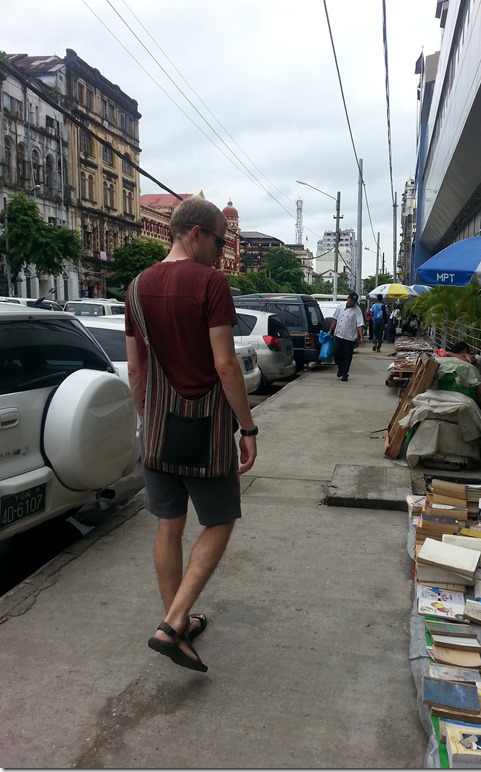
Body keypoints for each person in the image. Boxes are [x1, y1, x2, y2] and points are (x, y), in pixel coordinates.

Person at [125, 196, 258, 673]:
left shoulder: (136, 286)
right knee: (220, 520)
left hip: (157, 432)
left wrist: (148, 419)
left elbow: (135, 372)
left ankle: (175, 625)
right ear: (196, 233)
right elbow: (225, 364)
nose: (222, 253)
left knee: (168, 524)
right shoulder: (211, 284)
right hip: (206, 430)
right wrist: (248, 427)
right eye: (220, 241)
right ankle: (173, 621)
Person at [328, 292, 365, 381]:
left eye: (354, 301)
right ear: (348, 298)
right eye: (351, 300)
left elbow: (359, 324)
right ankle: (340, 368)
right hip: (338, 334)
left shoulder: (357, 310)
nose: (352, 302)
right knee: (335, 352)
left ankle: (344, 373)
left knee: (347, 356)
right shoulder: (340, 307)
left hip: (349, 336)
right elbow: (334, 319)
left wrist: (361, 337)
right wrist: (330, 330)